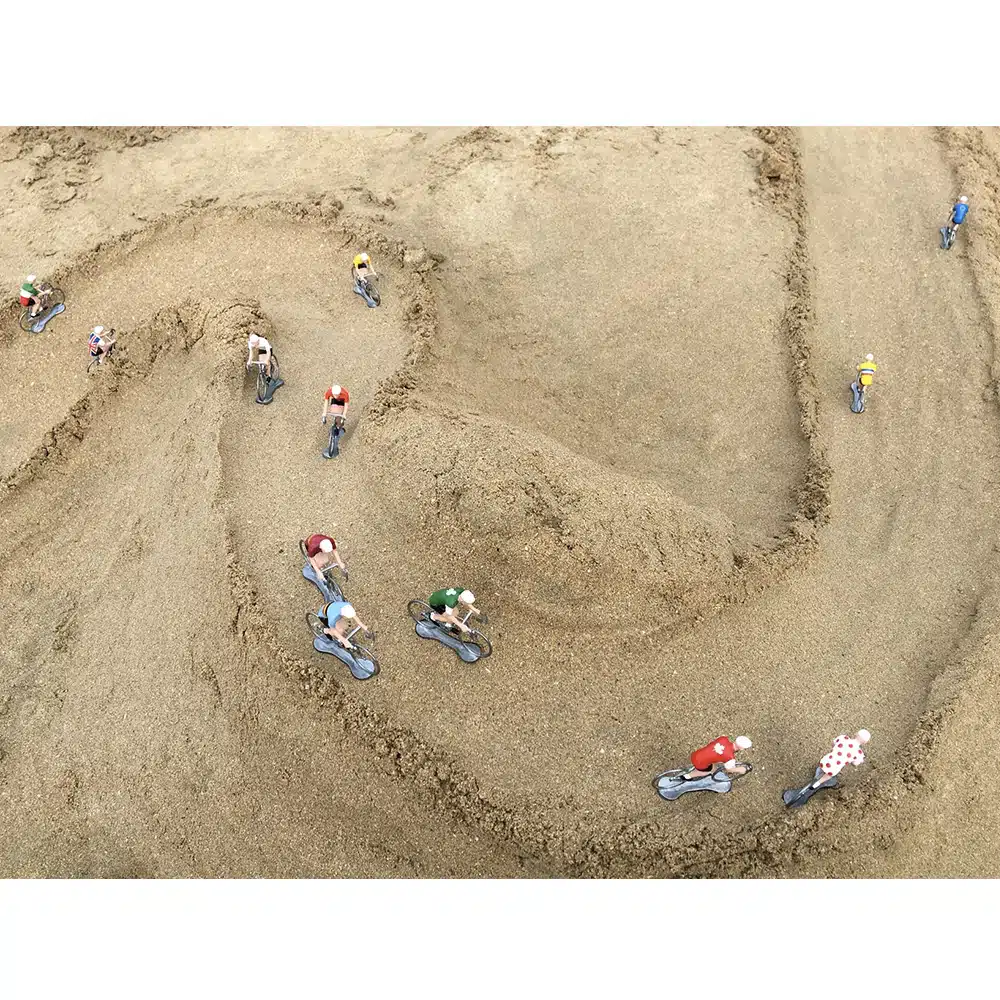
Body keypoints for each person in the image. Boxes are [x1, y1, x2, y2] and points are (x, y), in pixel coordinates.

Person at [683, 735, 753, 780]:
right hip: (700, 763)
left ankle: (710, 770)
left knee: (712, 763)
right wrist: (740, 769)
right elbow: (729, 769)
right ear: (741, 748)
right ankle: (688, 776)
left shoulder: (723, 738)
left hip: (696, 754)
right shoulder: (730, 758)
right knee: (706, 772)